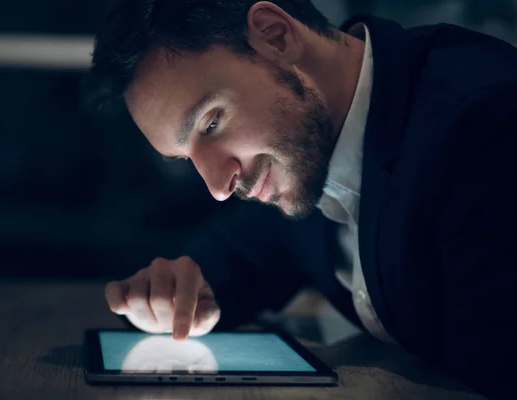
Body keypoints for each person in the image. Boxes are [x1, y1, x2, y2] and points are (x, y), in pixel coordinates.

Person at [84, 1, 517, 397]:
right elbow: (231, 261)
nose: (217, 188)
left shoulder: (483, 122)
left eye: (211, 123)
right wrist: (165, 297)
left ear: (276, 36)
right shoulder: (304, 148)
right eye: (185, 158)